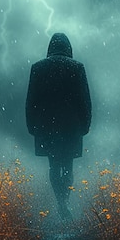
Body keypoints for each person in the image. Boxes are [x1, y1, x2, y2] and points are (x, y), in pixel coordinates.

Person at [26, 33, 91, 220]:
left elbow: (31, 100)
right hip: (71, 126)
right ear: (68, 47)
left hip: (47, 126)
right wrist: (85, 124)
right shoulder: (77, 67)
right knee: (68, 166)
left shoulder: (38, 68)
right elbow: (84, 99)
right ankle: (65, 202)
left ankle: (60, 203)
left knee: (53, 165)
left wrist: (32, 125)